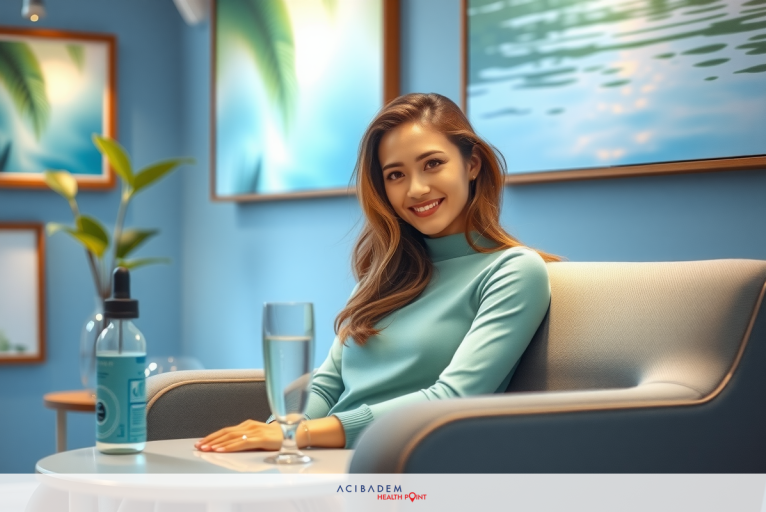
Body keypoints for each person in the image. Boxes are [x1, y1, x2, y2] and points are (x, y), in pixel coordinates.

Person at [195, 92, 561, 453]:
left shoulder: (511, 271)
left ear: (472, 164)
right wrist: (275, 435)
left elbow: (453, 398)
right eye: (396, 174)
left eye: (432, 164)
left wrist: (300, 436)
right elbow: (326, 386)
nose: (416, 189)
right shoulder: (384, 276)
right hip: (324, 461)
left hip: (410, 466)